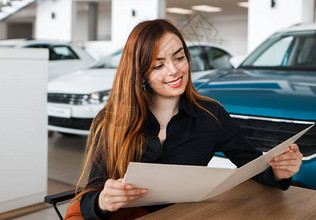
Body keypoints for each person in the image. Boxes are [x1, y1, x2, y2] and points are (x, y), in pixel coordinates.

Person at [66, 19, 303, 220]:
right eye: (158, 65)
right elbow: (89, 197)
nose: (174, 70)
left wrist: (278, 172)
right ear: (140, 73)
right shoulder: (111, 120)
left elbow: (253, 167)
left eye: (179, 58)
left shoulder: (211, 114)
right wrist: (103, 201)